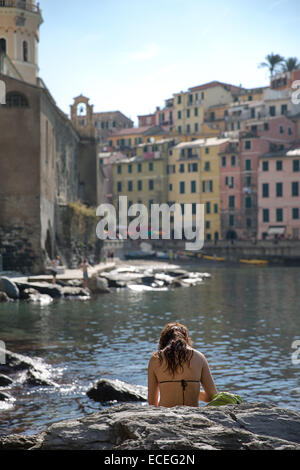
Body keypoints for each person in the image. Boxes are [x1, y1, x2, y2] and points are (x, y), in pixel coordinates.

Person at [148, 322, 217, 408]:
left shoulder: (155, 359)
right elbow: (212, 396)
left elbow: (152, 403)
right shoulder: (199, 357)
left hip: (166, 413)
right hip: (193, 413)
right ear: (186, 339)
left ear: (163, 341)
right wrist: (192, 389)